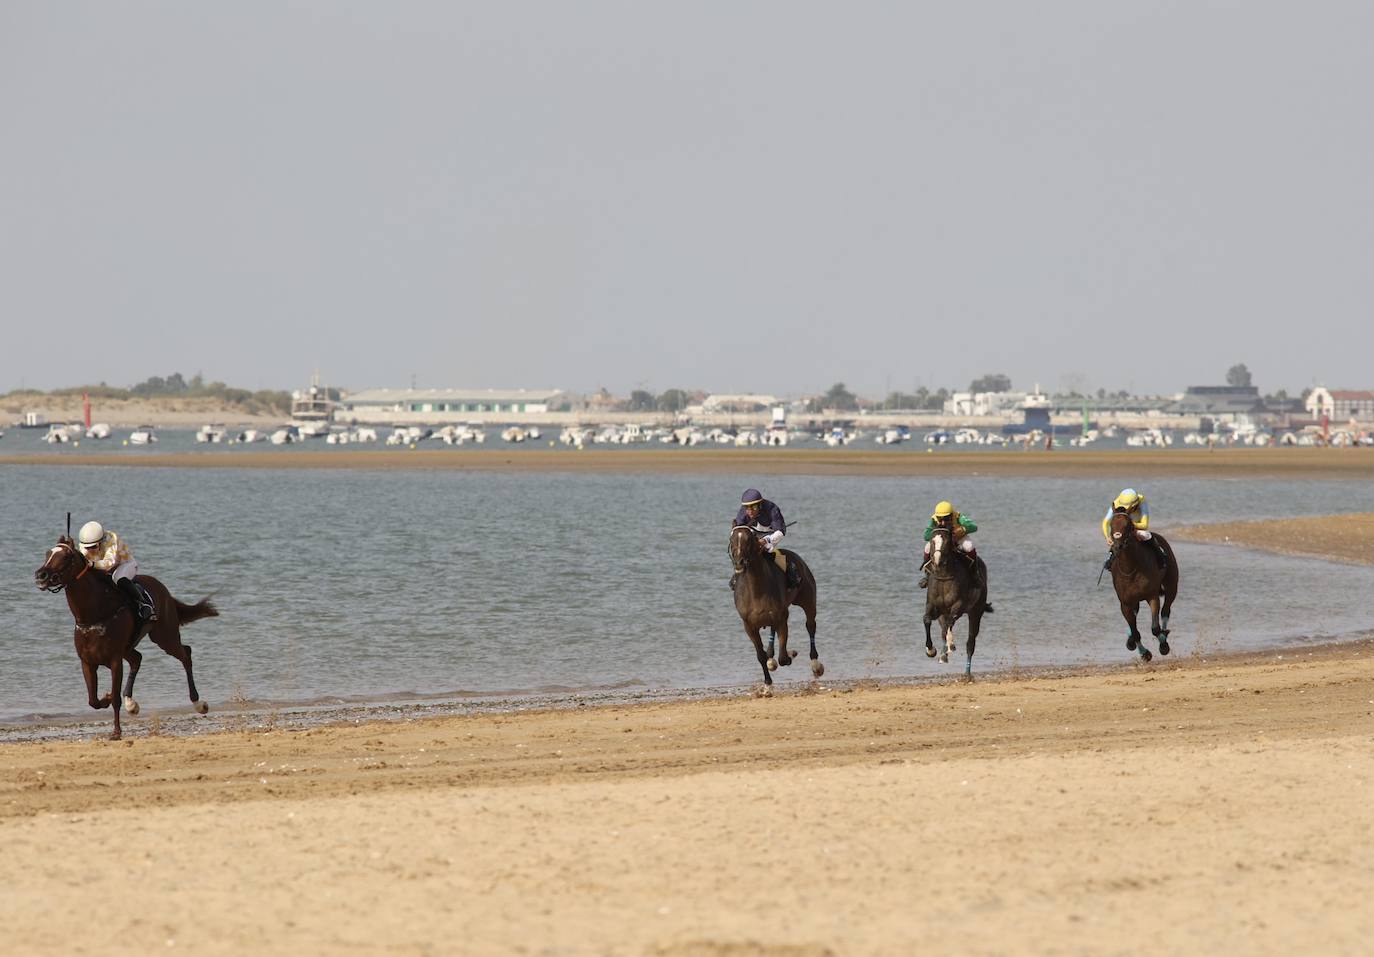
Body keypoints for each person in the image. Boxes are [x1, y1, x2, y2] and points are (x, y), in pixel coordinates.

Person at [77, 521, 157, 624]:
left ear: (101, 541)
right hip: (102, 567)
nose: (90, 550)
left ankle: (144, 604)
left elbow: (109, 563)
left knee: (118, 578)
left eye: (93, 547)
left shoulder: (111, 539)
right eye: (87, 548)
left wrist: (92, 564)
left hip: (125, 564)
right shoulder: (86, 544)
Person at [918, 501, 992, 610]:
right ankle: (927, 575)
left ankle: (974, 573)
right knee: (927, 548)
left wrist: (961, 530)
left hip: (958, 538)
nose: (943, 522)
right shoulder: (933, 519)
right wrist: (936, 532)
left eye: (946, 519)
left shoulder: (958, 517)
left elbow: (973, 526)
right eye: (940, 519)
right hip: (942, 540)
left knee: (969, 546)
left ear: (951, 515)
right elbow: (926, 535)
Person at [731, 488, 800, 590]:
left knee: (769, 551)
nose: (750, 511)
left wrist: (766, 540)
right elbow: (737, 530)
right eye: (747, 508)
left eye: (754, 507)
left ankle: (791, 574)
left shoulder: (772, 509)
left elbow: (780, 532)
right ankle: (736, 576)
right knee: (742, 554)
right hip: (752, 535)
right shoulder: (743, 511)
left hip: (771, 535)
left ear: (760, 505)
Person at [1101, 487, 1168, 571]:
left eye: (1127, 508)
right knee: (1117, 538)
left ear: (1135, 505)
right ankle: (1110, 559)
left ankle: (1160, 556)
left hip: (1136, 527)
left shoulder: (1142, 501)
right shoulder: (1116, 503)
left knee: (1147, 535)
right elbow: (1105, 522)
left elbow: (1145, 525)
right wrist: (1107, 537)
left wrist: (1130, 525)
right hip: (1124, 529)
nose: (1126, 509)